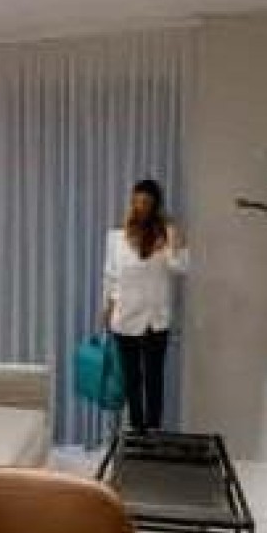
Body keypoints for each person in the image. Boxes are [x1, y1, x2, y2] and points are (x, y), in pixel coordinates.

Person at [101, 179, 188, 434]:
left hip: (155, 319)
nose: (140, 207)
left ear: (155, 205)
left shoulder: (165, 235)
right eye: (136, 201)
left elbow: (181, 268)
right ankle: (137, 432)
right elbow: (111, 276)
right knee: (131, 380)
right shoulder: (116, 238)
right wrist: (107, 308)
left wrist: (176, 242)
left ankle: (153, 433)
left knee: (154, 379)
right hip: (125, 316)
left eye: (146, 202)